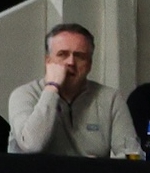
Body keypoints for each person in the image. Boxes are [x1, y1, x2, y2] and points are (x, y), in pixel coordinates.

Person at [8, 23, 140, 158]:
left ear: (89, 64)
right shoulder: (24, 95)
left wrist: (97, 169)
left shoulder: (110, 98)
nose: (71, 62)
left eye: (79, 56)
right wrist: (52, 88)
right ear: (48, 61)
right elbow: (31, 145)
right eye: (62, 54)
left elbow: (132, 154)